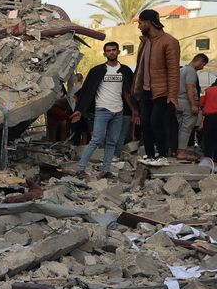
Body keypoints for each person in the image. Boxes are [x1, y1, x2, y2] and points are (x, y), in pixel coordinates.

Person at [72, 42, 137, 178]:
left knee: (112, 141)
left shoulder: (124, 70)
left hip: (118, 111)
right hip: (102, 110)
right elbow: (87, 91)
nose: (111, 52)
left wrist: (134, 110)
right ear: (105, 53)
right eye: (108, 50)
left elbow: (128, 92)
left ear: (118, 52)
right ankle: (81, 169)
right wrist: (79, 110)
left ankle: (106, 170)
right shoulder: (97, 71)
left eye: (114, 50)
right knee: (96, 140)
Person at [131, 9, 181, 166]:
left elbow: (174, 72)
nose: (138, 26)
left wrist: (172, 96)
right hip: (146, 91)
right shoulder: (145, 41)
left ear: (148, 23)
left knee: (156, 123)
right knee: (145, 123)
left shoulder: (169, 42)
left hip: (162, 91)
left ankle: (162, 156)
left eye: (140, 23)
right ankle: (151, 156)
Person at [177, 54, 209, 160]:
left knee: (181, 128)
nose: (202, 67)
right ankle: (181, 152)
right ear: (200, 61)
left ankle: (178, 149)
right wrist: (193, 104)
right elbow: (189, 87)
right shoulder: (191, 71)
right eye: (203, 64)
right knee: (186, 128)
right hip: (187, 102)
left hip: (179, 102)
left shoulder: (182, 70)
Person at [200, 80, 217, 161]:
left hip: (210, 117)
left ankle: (208, 157)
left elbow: (201, 103)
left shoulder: (207, 90)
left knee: (209, 138)